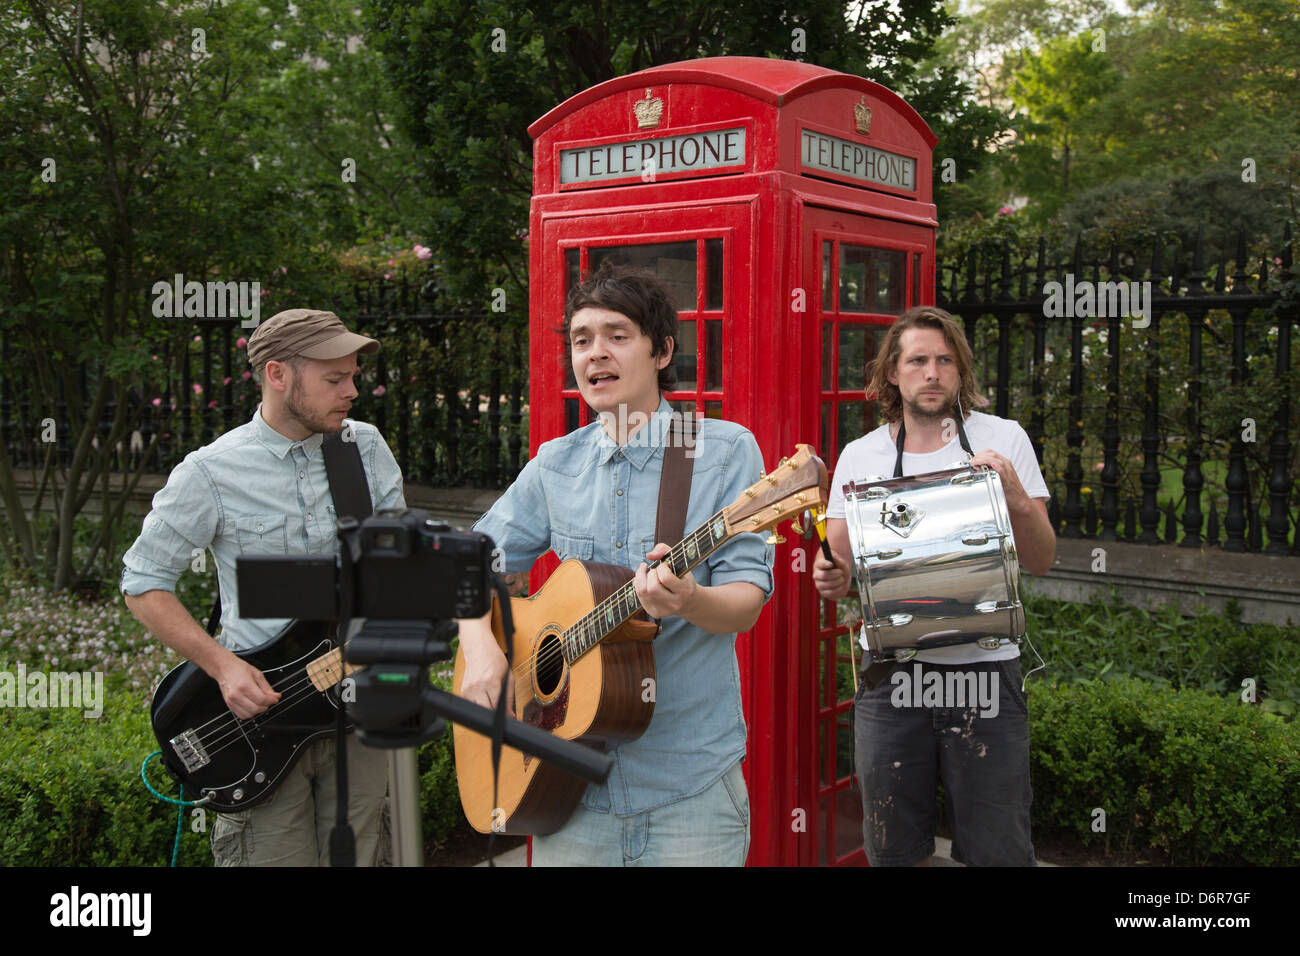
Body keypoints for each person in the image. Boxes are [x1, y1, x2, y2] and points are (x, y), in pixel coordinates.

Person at [458, 261, 774, 866]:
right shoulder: (556, 463)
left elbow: (745, 606)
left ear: (662, 353)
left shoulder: (723, 451)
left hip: (689, 788)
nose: (595, 353)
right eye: (582, 340)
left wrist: (690, 601)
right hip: (565, 788)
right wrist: (480, 648)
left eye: (617, 336)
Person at [122, 309, 405, 866]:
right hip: (261, 723)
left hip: (357, 705)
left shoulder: (364, 448)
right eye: (334, 379)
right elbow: (143, 583)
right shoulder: (212, 472)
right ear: (278, 375)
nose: (352, 391)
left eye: (352, 375)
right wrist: (224, 667)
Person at [812, 305, 1056, 867]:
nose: (932, 372)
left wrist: (1015, 493)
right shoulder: (863, 455)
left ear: (960, 370)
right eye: (917, 360)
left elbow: (1041, 560)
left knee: (999, 849)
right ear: (893, 373)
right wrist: (831, 576)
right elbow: (842, 571)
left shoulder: (1004, 438)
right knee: (893, 849)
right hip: (892, 679)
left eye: (945, 360)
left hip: (985, 671)